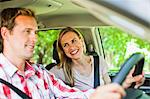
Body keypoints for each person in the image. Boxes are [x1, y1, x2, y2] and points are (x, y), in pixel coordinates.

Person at [0, 7, 126, 99]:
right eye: (27, 31)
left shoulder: (40, 73)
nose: (34, 38)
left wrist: (118, 87)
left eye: (35, 32)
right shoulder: (3, 79)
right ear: (5, 33)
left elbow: (71, 94)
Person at [50, 27, 144, 90]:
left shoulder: (98, 61)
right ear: (63, 50)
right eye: (66, 45)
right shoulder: (59, 71)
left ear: (81, 40)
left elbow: (109, 88)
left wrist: (126, 84)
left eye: (74, 41)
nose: (72, 47)